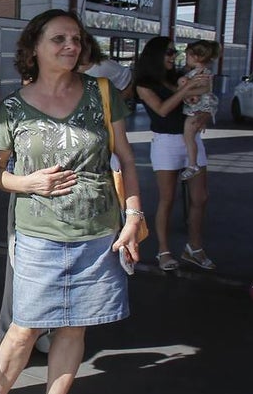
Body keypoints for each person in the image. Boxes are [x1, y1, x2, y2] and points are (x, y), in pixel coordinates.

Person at [0, 9, 144, 394]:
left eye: (76, 39)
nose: (71, 46)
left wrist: (133, 216)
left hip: (97, 233)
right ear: (34, 47)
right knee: (24, 327)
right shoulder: (13, 106)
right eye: (59, 39)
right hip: (38, 234)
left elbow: (125, 158)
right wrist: (27, 182)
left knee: (73, 326)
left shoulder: (102, 93)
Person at [133, 37, 214, 271]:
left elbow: (203, 92)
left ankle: (194, 248)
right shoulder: (144, 84)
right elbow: (162, 110)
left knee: (200, 198)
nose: (173, 56)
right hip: (165, 142)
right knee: (167, 199)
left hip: (191, 140)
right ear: (156, 54)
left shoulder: (177, 77)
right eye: (169, 52)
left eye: (174, 52)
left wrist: (205, 112)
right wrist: (187, 88)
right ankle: (163, 250)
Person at [178, 40, 221, 182]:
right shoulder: (198, 73)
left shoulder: (200, 74)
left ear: (195, 57)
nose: (186, 59)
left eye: (187, 56)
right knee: (189, 136)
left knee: (188, 136)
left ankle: (192, 164)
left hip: (199, 108)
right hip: (200, 108)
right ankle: (192, 163)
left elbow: (204, 89)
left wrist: (185, 92)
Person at [80, 36, 133, 101]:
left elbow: (129, 85)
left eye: (85, 48)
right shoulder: (70, 69)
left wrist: (115, 104)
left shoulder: (104, 65)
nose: (82, 51)